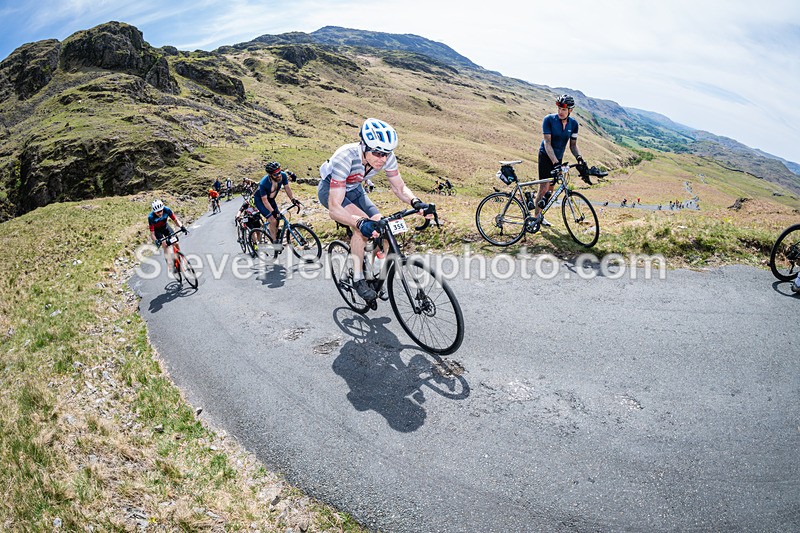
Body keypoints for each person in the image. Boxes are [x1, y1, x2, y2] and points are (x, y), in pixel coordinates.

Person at [318, 118, 433, 301]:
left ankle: (374, 275)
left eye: (386, 153)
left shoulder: (386, 158)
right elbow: (335, 208)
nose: (383, 159)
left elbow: (399, 187)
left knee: (384, 228)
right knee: (362, 227)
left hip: (355, 189)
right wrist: (359, 222)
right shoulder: (346, 157)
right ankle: (358, 278)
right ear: (364, 146)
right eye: (378, 153)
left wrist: (416, 202)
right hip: (331, 191)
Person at [536, 94, 586, 226]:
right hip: (546, 156)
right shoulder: (549, 120)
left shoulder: (574, 124)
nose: (560, 112)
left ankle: (541, 216)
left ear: (570, 110)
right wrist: (555, 163)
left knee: (551, 190)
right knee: (543, 189)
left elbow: (573, 145)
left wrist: (579, 158)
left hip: (558, 158)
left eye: (563, 109)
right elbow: (547, 143)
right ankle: (536, 218)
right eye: (559, 108)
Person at [254, 161, 301, 248]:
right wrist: (272, 212)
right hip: (260, 201)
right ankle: (275, 242)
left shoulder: (283, 175)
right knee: (272, 220)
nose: (278, 175)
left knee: (278, 218)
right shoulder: (264, 183)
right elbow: (264, 200)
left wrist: (293, 200)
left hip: (271, 200)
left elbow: (287, 188)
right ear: (270, 175)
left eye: (279, 172)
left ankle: (275, 232)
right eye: (275, 174)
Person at [148, 199, 185, 274]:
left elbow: (176, 220)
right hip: (157, 231)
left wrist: (182, 226)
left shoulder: (167, 210)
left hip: (165, 227)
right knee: (165, 245)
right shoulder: (151, 217)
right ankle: (170, 264)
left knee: (176, 243)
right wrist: (156, 241)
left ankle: (179, 258)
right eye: (157, 212)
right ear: (154, 211)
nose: (160, 213)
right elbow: (152, 233)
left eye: (161, 211)